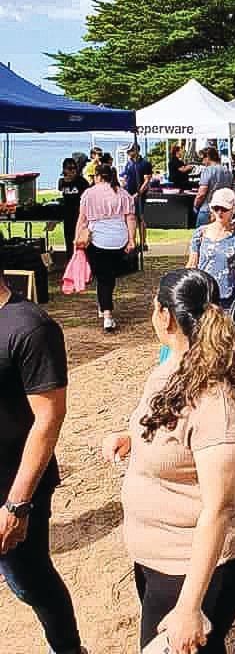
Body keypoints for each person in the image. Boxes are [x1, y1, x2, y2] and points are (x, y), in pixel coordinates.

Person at [102, 268, 235, 653]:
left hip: (193, 564)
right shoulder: (172, 366)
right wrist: (132, 438)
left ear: (165, 315)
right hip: (159, 557)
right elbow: (172, 431)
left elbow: (218, 510)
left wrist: (189, 607)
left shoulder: (217, 405)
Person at [0, 269, 87, 654]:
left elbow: (49, 418)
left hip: (14, 488)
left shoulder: (31, 327)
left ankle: (67, 648)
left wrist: (17, 504)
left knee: (28, 581)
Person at [75, 163, 136, 332]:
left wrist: (76, 238)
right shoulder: (123, 193)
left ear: (98, 176)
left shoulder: (89, 193)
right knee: (108, 277)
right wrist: (132, 239)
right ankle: (104, 306)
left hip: (97, 238)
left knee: (103, 278)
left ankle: (107, 314)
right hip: (119, 239)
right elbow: (131, 218)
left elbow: (82, 219)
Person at [187, 188, 235, 309]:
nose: (219, 212)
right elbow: (192, 264)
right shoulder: (200, 233)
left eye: (224, 209)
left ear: (233, 209)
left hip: (229, 297)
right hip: (203, 295)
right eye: (216, 208)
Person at [121, 143, 153, 251]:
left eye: (130, 151)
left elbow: (147, 181)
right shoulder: (129, 163)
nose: (128, 153)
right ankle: (132, 241)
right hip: (128, 195)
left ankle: (143, 242)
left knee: (140, 218)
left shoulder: (145, 164)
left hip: (139, 196)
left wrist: (138, 194)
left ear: (136, 151)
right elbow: (125, 178)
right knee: (130, 218)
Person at [57, 157, 89, 258]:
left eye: (74, 168)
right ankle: (71, 260)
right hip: (67, 216)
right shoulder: (62, 182)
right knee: (69, 240)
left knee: (80, 240)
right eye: (69, 168)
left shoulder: (81, 182)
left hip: (79, 215)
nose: (72, 171)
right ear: (64, 169)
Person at [194, 147, 233, 228]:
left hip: (207, 210)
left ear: (208, 157)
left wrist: (195, 205)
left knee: (201, 234)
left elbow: (201, 193)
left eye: (203, 159)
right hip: (223, 210)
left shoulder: (208, 170)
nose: (202, 162)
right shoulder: (228, 172)